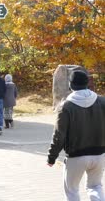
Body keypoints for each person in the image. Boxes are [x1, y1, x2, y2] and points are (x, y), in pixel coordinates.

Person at [47, 70, 105, 200]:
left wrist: (52, 157)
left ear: (71, 85)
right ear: (87, 84)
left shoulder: (66, 106)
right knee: (95, 187)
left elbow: (59, 135)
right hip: (99, 154)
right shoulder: (102, 101)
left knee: (72, 191)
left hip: (76, 156)